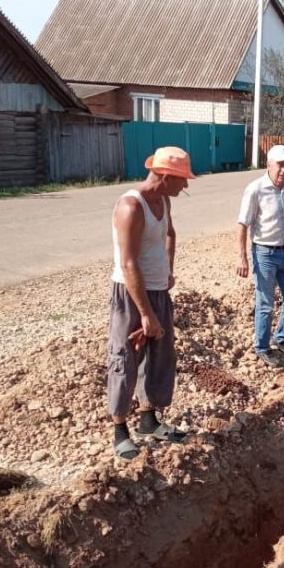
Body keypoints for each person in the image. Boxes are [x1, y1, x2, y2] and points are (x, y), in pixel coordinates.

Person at [107, 146, 194, 460]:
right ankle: (119, 430)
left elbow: (170, 234)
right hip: (131, 295)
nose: (185, 186)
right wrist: (145, 314)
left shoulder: (164, 200)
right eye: (182, 180)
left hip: (158, 291)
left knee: (159, 357)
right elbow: (129, 264)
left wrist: (169, 270)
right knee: (125, 358)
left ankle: (148, 420)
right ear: (166, 176)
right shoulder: (131, 206)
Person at [236, 144, 284, 368]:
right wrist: (242, 257)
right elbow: (243, 224)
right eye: (280, 165)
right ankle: (262, 347)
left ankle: (283, 339)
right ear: (269, 165)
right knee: (265, 303)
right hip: (264, 253)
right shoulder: (256, 189)